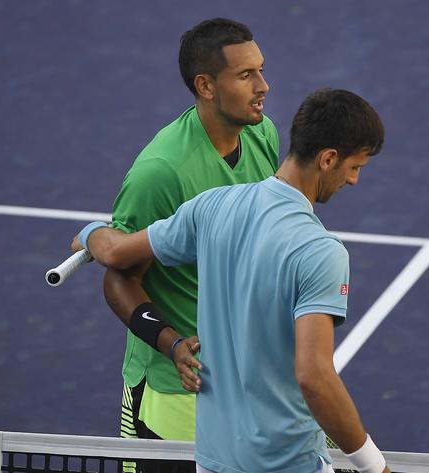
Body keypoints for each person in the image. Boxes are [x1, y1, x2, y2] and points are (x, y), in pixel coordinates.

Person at [74, 89, 390, 473]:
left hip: (213, 462)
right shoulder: (321, 252)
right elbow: (314, 376)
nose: (354, 180)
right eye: (355, 167)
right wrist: (373, 465)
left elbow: (116, 253)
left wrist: (91, 232)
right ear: (327, 159)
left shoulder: (210, 208)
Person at [103, 18, 278, 473]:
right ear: (205, 85)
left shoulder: (263, 135)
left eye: (260, 70)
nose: (263, 86)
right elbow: (120, 278)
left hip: (241, 382)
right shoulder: (161, 172)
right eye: (245, 75)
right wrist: (171, 342)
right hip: (169, 393)